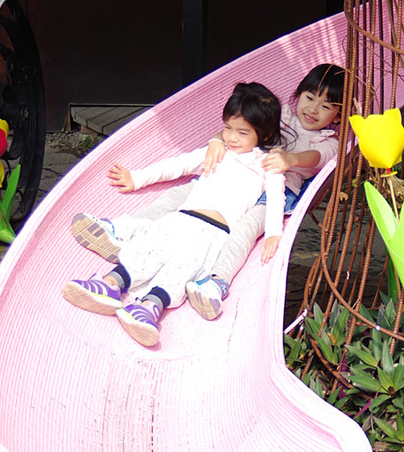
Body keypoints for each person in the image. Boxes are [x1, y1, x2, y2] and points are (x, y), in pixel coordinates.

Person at [70, 63, 346, 322]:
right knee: (177, 201)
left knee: (242, 232)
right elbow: (233, 132)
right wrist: (216, 141)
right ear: (299, 95)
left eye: (326, 106)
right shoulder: (278, 114)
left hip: (273, 188)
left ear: (338, 114)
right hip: (222, 179)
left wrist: (287, 170)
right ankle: (122, 237)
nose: (313, 109)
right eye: (310, 98)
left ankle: (210, 283)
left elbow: (311, 160)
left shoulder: (328, 142)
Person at [62, 82, 285, 347]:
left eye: (242, 132)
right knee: (149, 249)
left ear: (265, 133)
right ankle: (110, 284)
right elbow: (178, 165)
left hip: (215, 233)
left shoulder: (267, 166)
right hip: (182, 217)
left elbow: (275, 199)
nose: (232, 137)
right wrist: (137, 178)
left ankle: (150, 308)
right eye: (227, 128)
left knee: (182, 268)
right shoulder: (216, 151)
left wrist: (273, 232)